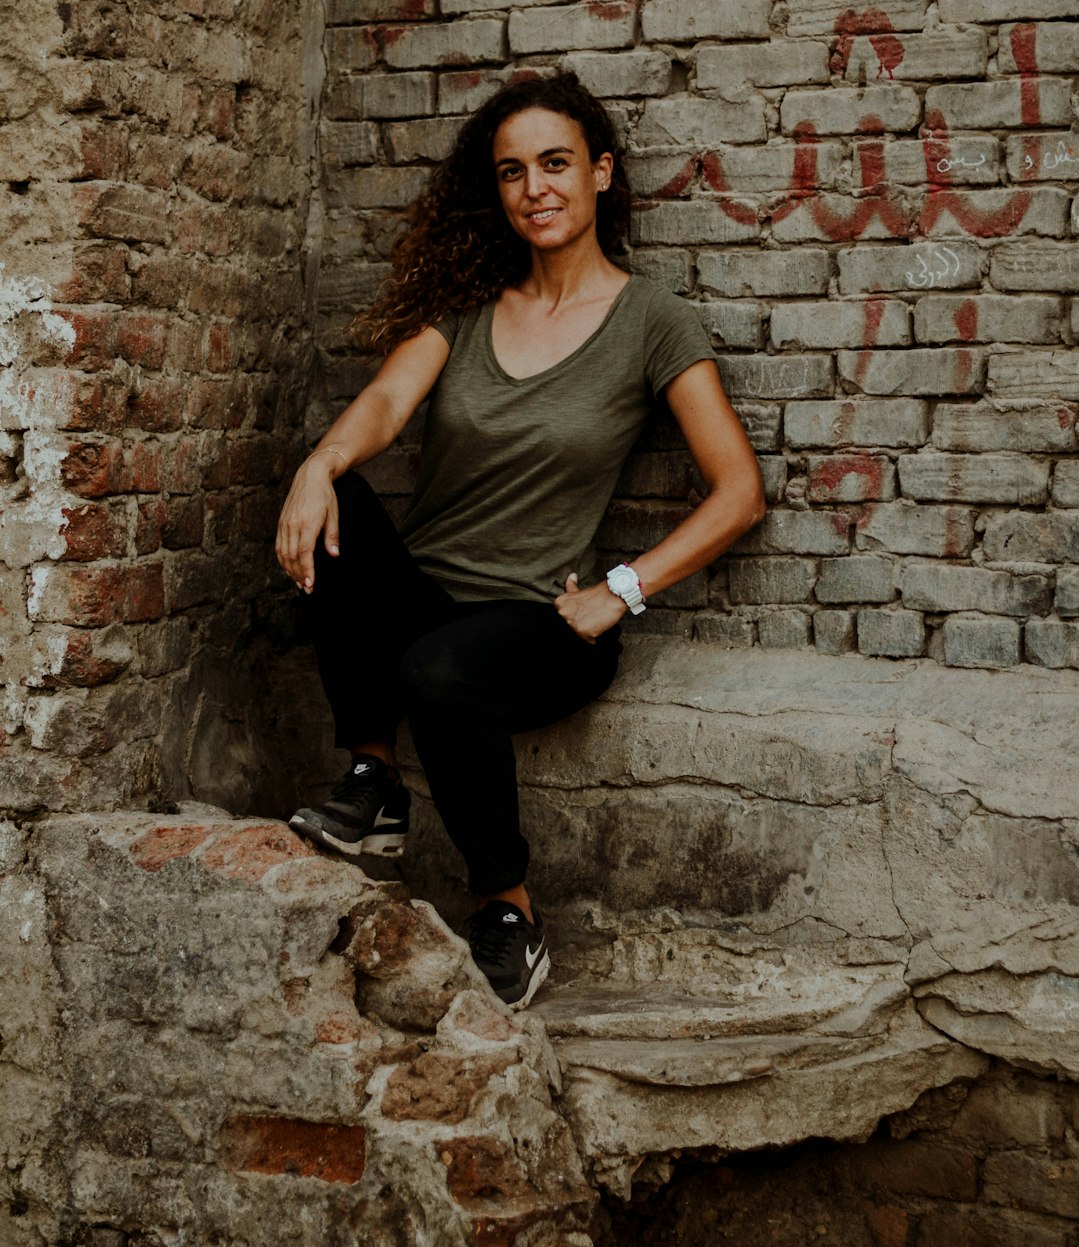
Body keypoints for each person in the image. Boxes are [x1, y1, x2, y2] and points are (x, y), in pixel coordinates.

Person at [275, 71, 765, 1010]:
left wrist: (618, 589)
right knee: (335, 497)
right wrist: (319, 462)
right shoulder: (467, 306)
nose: (534, 187)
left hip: (540, 623)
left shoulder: (652, 320)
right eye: (512, 172)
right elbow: (383, 401)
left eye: (555, 163)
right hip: (427, 596)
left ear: (601, 174)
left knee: (441, 667)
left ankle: (510, 912)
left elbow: (739, 491)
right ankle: (373, 783)